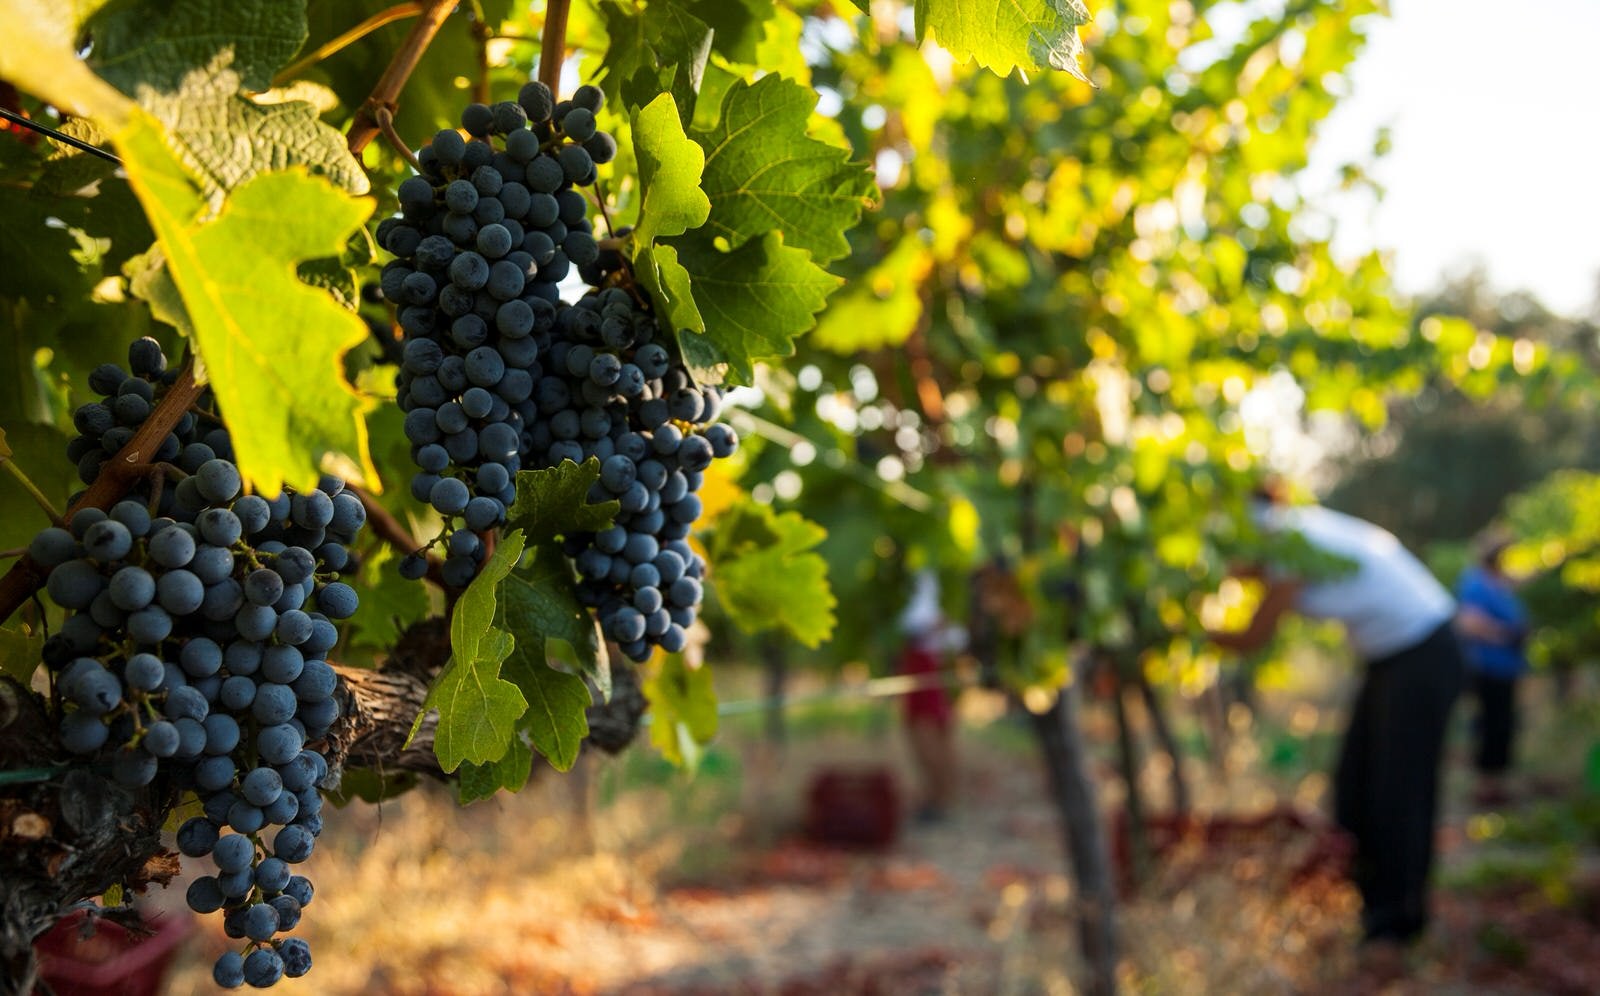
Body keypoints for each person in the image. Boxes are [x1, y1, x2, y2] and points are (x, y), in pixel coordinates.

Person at [1207, 490, 1463, 966]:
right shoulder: (1292, 531)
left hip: (1422, 653)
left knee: (1397, 792)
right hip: (1393, 658)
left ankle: (1396, 928)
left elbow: (1253, 636)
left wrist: (1181, 628)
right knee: (1356, 786)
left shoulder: (1287, 538)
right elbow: (1249, 576)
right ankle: (1366, 908)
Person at [1454, 528, 1529, 807]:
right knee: (1492, 725)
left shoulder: (1501, 584)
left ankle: (1496, 785)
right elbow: (1468, 622)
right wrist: (1505, 634)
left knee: (1504, 725)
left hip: (1506, 669)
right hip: (1488, 668)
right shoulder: (1477, 583)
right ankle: (1485, 788)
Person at [896, 570, 965, 823]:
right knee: (926, 730)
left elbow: (930, 622)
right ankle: (937, 797)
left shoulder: (933, 571)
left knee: (927, 730)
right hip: (925, 660)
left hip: (929, 662)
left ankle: (941, 799)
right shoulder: (910, 568)